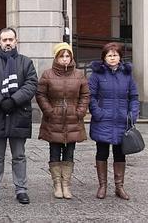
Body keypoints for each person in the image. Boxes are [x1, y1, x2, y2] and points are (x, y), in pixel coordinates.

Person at [0, 27, 37, 205]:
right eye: (5, 40)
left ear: (16, 41)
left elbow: (31, 84)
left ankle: (21, 190)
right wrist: (0, 100)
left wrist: (14, 100)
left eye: (11, 39)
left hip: (18, 114)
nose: (8, 43)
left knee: (19, 155)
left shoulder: (26, 63)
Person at [36, 42, 90, 199]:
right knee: (54, 151)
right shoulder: (48, 74)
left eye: (68, 56)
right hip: (54, 118)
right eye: (62, 56)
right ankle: (57, 185)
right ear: (56, 57)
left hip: (73, 118)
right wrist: (49, 111)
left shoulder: (79, 75)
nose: (65, 59)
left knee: (69, 152)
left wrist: (80, 112)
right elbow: (40, 94)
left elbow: (85, 95)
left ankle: (66, 184)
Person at [88, 42, 139, 200]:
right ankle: (102, 186)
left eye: (115, 55)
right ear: (104, 58)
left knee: (120, 153)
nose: (112, 58)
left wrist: (132, 115)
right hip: (102, 120)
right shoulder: (97, 75)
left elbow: (134, 97)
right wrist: (98, 113)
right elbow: (91, 97)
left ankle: (119, 186)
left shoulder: (127, 75)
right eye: (109, 55)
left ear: (120, 57)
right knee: (102, 152)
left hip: (122, 120)